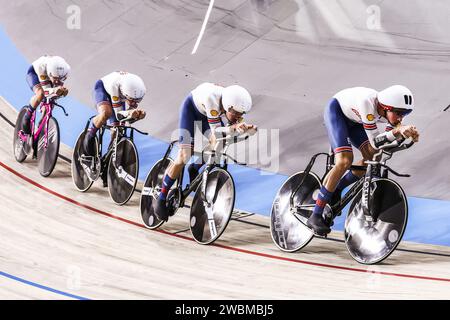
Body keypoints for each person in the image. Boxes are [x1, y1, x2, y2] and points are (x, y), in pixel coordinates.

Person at [307, 85, 420, 236]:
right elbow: (375, 141)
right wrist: (397, 131)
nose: (401, 118)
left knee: (374, 158)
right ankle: (315, 214)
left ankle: (337, 188)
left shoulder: (389, 114)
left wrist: (403, 135)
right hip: (337, 113)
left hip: (356, 122)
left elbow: (382, 144)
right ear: (386, 107)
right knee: (344, 161)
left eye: (404, 114)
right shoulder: (367, 103)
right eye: (399, 113)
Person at [152, 82, 257, 221]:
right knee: (185, 155)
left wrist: (246, 129)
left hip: (206, 114)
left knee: (220, 143)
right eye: (236, 114)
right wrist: (234, 128)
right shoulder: (212, 99)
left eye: (241, 115)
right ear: (227, 106)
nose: (238, 117)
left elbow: (224, 133)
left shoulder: (230, 103)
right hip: (191, 110)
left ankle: (194, 167)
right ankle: (162, 197)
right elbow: (217, 131)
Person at [81, 71, 147, 175]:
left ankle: (108, 160)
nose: (134, 103)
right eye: (131, 100)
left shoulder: (134, 92)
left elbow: (126, 121)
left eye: (137, 101)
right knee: (106, 113)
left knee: (119, 130)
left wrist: (137, 116)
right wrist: (130, 113)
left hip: (120, 96)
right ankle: (89, 135)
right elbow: (119, 115)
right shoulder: (115, 86)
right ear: (125, 94)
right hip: (103, 89)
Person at [23, 55, 70, 134]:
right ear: (50, 73)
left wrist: (61, 92)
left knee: (52, 99)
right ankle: (27, 116)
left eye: (60, 79)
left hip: (50, 75)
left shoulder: (65, 71)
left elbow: (55, 90)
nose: (57, 82)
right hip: (35, 73)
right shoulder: (42, 67)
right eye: (55, 78)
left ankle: (42, 123)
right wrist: (54, 90)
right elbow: (45, 92)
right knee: (40, 94)